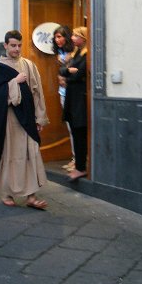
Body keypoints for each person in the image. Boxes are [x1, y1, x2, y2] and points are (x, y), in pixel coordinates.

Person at [0, 30, 49, 209]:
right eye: (13, 45)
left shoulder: (28, 65)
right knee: (11, 155)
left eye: (19, 45)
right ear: (5, 45)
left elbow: (37, 92)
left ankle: (31, 197)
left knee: (31, 154)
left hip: (27, 119)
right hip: (9, 120)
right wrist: (15, 82)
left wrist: (39, 118)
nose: (17, 49)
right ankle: (6, 193)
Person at [59, 27, 88, 180]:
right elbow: (63, 70)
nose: (72, 38)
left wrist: (68, 73)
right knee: (75, 132)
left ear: (84, 38)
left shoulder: (86, 55)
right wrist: (69, 71)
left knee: (79, 133)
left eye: (76, 35)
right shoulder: (76, 53)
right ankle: (79, 165)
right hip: (73, 98)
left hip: (79, 100)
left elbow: (80, 73)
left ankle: (81, 167)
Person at [52, 25, 75, 171]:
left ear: (66, 37)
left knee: (74, 127)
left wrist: (64, 75)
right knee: (69, 127)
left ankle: (77, 159)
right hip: (63, 92)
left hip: (72, 93)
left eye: (59, 37)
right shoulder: (60, 53)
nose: (57, 40)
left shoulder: (73, 52)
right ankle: (74, 157)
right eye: (55, 37)